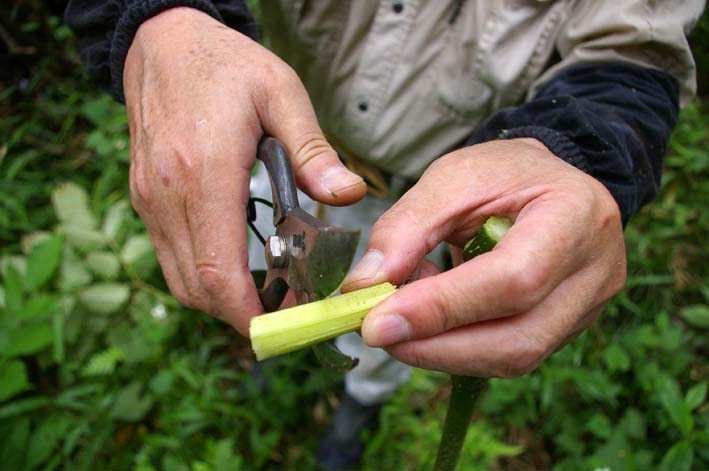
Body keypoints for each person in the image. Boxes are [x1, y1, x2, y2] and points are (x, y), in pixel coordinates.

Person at [65, 1, 703, 469]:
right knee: (269, 278)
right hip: (273, 158)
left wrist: (571, 155)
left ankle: (358, 408)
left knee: (389, 333)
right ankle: (290, 366)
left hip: (430, 200)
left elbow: (632, 60)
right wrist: (163, 21)